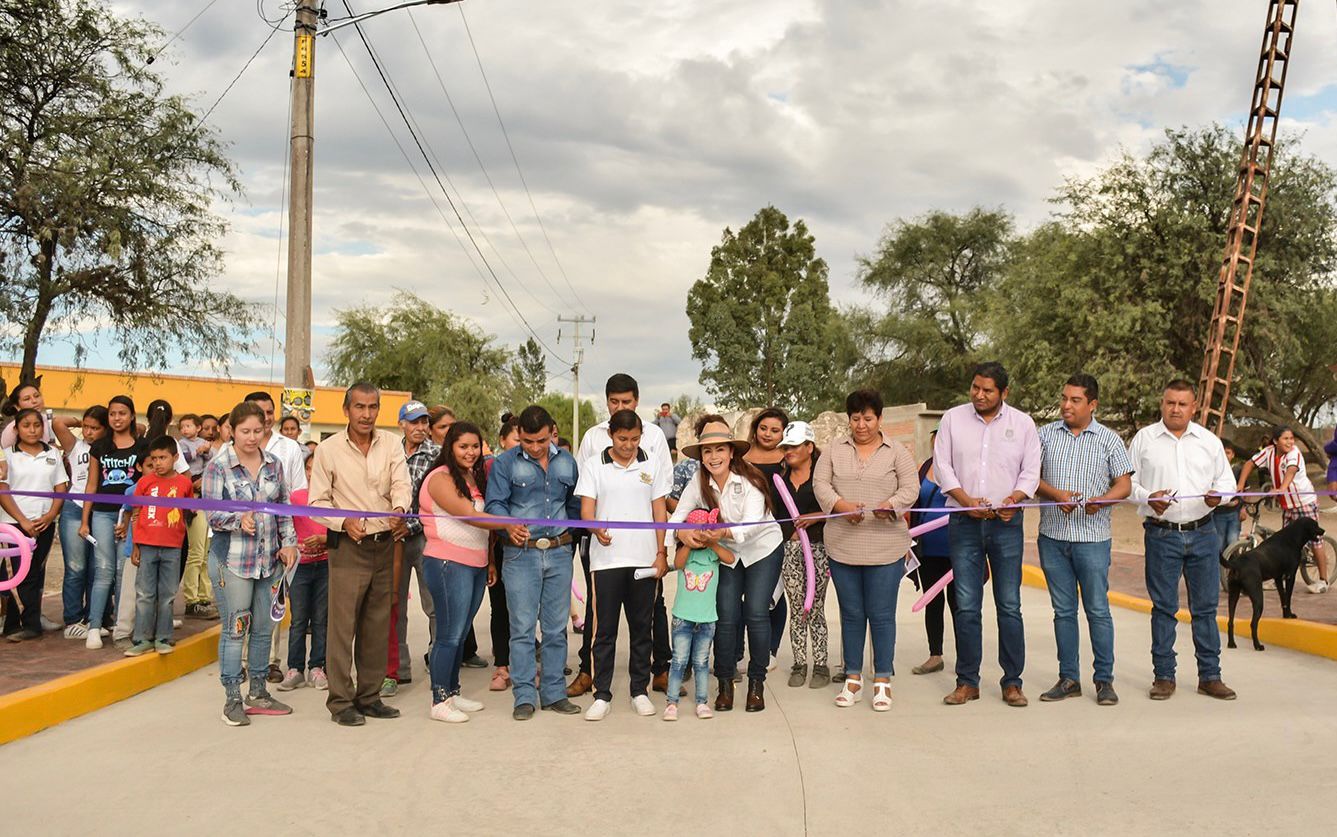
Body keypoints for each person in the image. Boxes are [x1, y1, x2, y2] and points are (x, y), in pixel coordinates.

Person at [934, 361, 1041, 708]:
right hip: (964, 523)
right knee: (966, 605)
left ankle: (1012, 682)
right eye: (975, 388)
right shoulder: (952, 419)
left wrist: (1016, 498)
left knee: (1009, 604)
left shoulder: (1023, 424)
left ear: (1004, 393)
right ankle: (968, 682)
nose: (979, 395)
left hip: (1007, 524)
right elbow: (942, 467)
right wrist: (965, 502)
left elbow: (1031, 471)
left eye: (988, 390)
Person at [308, 383, 411, 726]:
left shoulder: (392, 444)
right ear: (346, 410)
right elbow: (317, 503)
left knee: (378, 624)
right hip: (348, 546)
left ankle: (369, 696)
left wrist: (399, 508)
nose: (366, 414)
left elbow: (402, 484)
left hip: (385, 544)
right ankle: (340, 702)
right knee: (342, 627)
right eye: (359, 407)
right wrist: (343, 520)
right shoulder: (328, 449)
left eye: (372, 407)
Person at [1127, 379, 1237, 701]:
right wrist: (1149, 497)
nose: (1176, 409)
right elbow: (1127, 484)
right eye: (1170, 403)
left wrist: (1221, 496)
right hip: (1161, 534)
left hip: (1204, 533)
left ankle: (1210, 676)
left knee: (1205, 608)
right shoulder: (1144, 439)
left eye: (1182, 404)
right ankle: (1164, 677)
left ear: (1194, 407)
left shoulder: (1209, 441)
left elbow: (1227, 482)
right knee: (1164, 608)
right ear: (1162, 404)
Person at [668, 415, 784, 713]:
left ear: (732, 451)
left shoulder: (751, 480)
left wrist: (721, 532)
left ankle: (756, 684)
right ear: (701, 456)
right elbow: (677, 516)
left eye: (720, 449)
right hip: (728, 552)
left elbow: (753, 526)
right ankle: (724, 685)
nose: (714, 456)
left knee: (756, 612)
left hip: (761, 549)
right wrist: (682, 535)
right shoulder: (698, 480)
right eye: (707, 451)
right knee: (726, 615)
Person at [813, 390, 919, 711]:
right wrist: (841, 506)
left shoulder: (896, 451)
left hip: (885, 546)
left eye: (868, 418)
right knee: (852, 614)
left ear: (880, 419)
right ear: (849, 419)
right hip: (843, 545)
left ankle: (883, 679)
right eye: (856, 418)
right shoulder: (833, 450)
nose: (862, 425)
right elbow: (821, 484)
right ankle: (853, 678)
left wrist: (893, 505)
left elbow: (910, 488)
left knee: (882, 615)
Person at [570, 373, 675, 697]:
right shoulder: (592, 438)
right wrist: (592, 527)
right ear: (606, 402)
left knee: (650, 613)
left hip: (644, 549)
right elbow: (585, 493)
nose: (619, 407)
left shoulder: (655, 437)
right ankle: (590, 675)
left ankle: (659, 671)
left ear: (637, 401)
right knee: (600, 615)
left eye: (625, 402)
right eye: (614, 402)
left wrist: (663, 547)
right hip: (604, 549)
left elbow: (662, 497)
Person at [1033, 374, 1132, 706]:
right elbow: (1031, 478)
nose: (1066, 405)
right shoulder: (1044, 435)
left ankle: (1104, 681)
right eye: (1064, 398)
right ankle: (1068, 678)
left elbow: (1124, 485)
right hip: (1053, 539)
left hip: (1092, 539)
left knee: (1098, 611)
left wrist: (1102, 501)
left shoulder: (1109, 440)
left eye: (1075, 400)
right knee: (1063, 611)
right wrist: (1056, 494)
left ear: (1093, 405)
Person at [202, 401, 299, 726]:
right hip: (233, 561)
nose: (252, 437)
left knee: (263, 628)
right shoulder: (219, 466)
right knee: (235, 628)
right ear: (232, 430)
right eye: (245, 431)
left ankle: (258, 692)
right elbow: (212, 512)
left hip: (269, 560)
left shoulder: (273, 464)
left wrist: (289, 545)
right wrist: (236, 520)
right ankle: (232, 698)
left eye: (258, 430)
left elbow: (283, 506)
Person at [485, 405, 583, 721]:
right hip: (520, 554)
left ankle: (554, 693)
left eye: (540, 440)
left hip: (558, 551)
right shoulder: (504, 464)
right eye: (527, 441)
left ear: (551, 432)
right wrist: (507, 524)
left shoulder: (567, 462)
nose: (535, 447)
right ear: (519, 436)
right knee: (522, 629)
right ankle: (524, 695)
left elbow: (575, 505)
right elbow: (494, 504)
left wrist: (571, 541)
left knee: (556, 629)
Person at [420, 422, 507, 723]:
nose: (470, 452)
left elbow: (483, 528)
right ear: (450, 447)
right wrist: (510, 523)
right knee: (449, 634)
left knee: (460, 632)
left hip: (475, 564)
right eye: (463, 446)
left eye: (474, 446)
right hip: (447, 563)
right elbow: (469, 515)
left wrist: (491, 563)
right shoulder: (440, 478)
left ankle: (452, 691)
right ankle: (439, 699)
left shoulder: (471, 476)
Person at [244, 391, 309, 682]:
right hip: (241, 539)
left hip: (277, 537)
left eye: (269, 412)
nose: (266, 417)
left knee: (273, 600)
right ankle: (243, 660)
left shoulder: (290, 448)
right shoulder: (230, 451)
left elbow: (296, 494)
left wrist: (290, 540)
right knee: (242, 604)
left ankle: (270, 661)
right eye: (259, 411)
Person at [382, 400, 442, 697]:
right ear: (401, 424)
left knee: (432, 603)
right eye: (414, 422)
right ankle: (397, 669)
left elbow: (437, 500)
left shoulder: (437, 455)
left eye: (424, 422)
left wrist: (412, 525)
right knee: (394, 604)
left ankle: (437, 659)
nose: (420, 428)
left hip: (424, 536)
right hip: (391, 538)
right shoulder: (390, 452)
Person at [79, 395, 145, 650]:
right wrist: (85, 520)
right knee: (103, 570)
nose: (117, 418)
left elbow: (144, 486)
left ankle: (121, 626)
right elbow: (92, 484)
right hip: (103, 514)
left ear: (131, 416)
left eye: (122, 413)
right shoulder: (99, 446)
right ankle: (94, 626)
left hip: (128, 515)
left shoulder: (142, 447)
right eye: (112, 414)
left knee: (123, 571)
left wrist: (130, 519)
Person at [0, 408, 68, 641]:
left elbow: (61, 488)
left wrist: (50, 516)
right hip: (14, 524)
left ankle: (31, 619)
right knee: (20, 573)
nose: (32, 430)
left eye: (36, 425)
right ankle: (24, 624)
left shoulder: (53, 454)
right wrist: (22, 521)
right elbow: (3, 490)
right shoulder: (7, 455)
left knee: (37, 573)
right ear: (16, 429)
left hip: (44, 523)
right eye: (26, 425)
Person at [1237, 426, 1329, 594]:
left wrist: (1281, 488)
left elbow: (1291, 471)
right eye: (1285, 438)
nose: (1290, 442)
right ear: (1275, 441)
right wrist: (1240, 485)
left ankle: (1323, 580)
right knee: (1283, 544)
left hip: (1304, 503)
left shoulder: (1294, 454)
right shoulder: (1269, 452)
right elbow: (1250, 463)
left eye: (1291, 438)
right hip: (1287, 505)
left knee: (1315, 540)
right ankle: (1278, 577)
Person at [124, 436, 193, 656]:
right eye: (154, 459)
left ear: (175, 457)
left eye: (163, 458)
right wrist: (135, 546)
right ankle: (142, 639)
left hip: (173, 547)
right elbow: (135, 514)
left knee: (168, 594)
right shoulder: (144, 483)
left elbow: (188, 513)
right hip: (147, 545)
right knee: (144, 593)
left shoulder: (184, 483)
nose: (158, 463)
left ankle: (164, 638)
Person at [664, 508, 734, 721]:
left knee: (701, 662)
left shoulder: (714, 551)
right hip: (682, 617)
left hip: (706, 619)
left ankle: (702, 702)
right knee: (678, 661)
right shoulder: (686, 552)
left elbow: (730, 558)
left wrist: (712, 541)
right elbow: (678, 563)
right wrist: (688, 541)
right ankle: (672, 703)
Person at [775, 421, 831, 689]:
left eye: (794, 446)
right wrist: (791, 533)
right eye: (786, 447)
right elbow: (774, 517)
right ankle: (800, 663)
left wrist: (814, 519)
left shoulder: (823, 478)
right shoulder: (780, 481)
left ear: (809, 447)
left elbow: (835, 509)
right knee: (797, 607)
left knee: (815, 606)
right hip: (790, 551)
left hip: (819, 549)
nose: (789, 451)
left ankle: (821, 664)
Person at [52, 406, 108, 638]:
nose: (88, 432)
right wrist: (80, 421)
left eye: (95, 428)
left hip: (101, 512)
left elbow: (140, 427)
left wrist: (110, 428)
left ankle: (93, 617)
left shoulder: (110, 447)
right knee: (76, 567)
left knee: (99, 570)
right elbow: (57, 423)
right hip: (74, 510)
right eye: (86, 427)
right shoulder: (75, 446)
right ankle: (72, 621)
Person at [277, 452, 329, 692]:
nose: (312, 472)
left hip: (326, 565)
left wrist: (325, 540)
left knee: (321, 619)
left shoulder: (333, 498)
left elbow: (339, 529)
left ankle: (317, 667)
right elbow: (285, 527)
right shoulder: (295, 497)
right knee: (298, 619)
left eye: (317, 468)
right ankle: (295, 668)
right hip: (299, 567)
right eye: (309, 468)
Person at [745, 408, 790, 668]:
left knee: (776, 593)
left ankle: (771, 649)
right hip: (746, 534)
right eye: (764, 428)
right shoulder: (741, 456)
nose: (768, 434)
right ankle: (745, 650)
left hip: (780, 533)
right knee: (749, 595)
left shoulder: (788, 457)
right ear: (755, 428)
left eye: (775, 430)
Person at [909, 431, 955, 676]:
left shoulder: (963, 469)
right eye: (936, 440)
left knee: (961, 605)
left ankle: (967, 657)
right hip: (928, 549)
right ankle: (935, 655)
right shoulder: (924, 467)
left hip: (959, 549)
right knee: (932, 603)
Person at [487, 414, 520, 691]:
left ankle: (526, 664)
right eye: (518, 440)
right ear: (502, 440)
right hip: (499, 546)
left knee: (526, 609)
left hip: (528, 547)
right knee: (500, 607)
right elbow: (489, 512)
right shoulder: (492, 467)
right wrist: (490, 560)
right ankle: (502, 665)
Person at [177, 413, 217, 620]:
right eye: (182, 426)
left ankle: (204, 596)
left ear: (198, 428)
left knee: (205, 555)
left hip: (206, 498)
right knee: (196, 552)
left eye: (189, 426)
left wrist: (206, 452)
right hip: (192, 499)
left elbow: (215, 460)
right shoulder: (180, 445)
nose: (185, 430)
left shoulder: (206, 444)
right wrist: (197, 452)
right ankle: (191, 599)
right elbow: (182, 463)